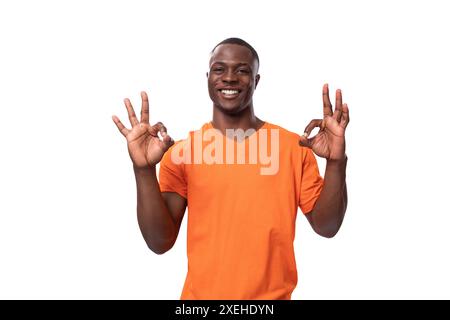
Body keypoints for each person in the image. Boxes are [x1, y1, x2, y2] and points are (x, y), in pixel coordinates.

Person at [112, 38, 349, 300]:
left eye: (242, 70)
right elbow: (159, 243)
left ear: (256, 81)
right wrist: (143, 170)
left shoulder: (294, 147)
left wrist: (336, 163)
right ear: (208, 78)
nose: (229, 78)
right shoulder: (181, 152)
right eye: (219, 69)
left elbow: (327, 226)